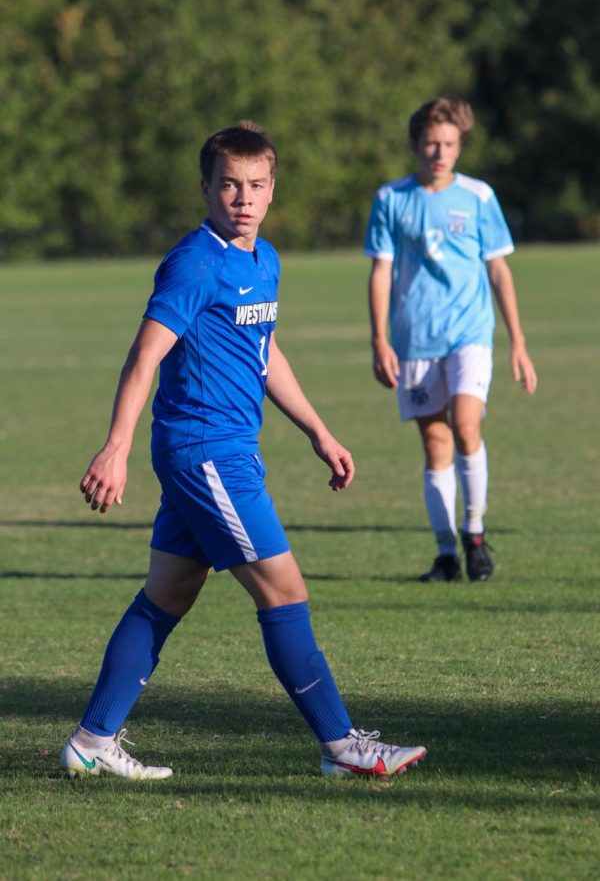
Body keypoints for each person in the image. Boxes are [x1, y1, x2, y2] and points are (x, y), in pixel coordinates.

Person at [61, 121, 426, 780]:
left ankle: (92, 743)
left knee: (166, 597)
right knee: (284, 590)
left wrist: (318, 430)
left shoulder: (265, 260)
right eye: (229, 185)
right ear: (206, 187)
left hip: (222, 450)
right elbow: (144, 355)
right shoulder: (195, 262)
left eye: (256, 185)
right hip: (205, 452)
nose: (243, 198)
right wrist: (114, 447)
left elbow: (264, 354)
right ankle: (343, 747)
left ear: (272, 188)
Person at [365, 98, 537, 582]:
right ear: (415, 145)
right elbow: (380, 272)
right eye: (431, 143)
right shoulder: (392, 199)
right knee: (435, 445)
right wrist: (380, 339)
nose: (439, 152)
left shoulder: (479, 197)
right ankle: (446, 556)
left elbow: (498, 270)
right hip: (414, 340)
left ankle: (475, 534)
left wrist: (517, 341)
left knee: (465, 425)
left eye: (449, 144)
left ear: (460, 146)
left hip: (470, 334)